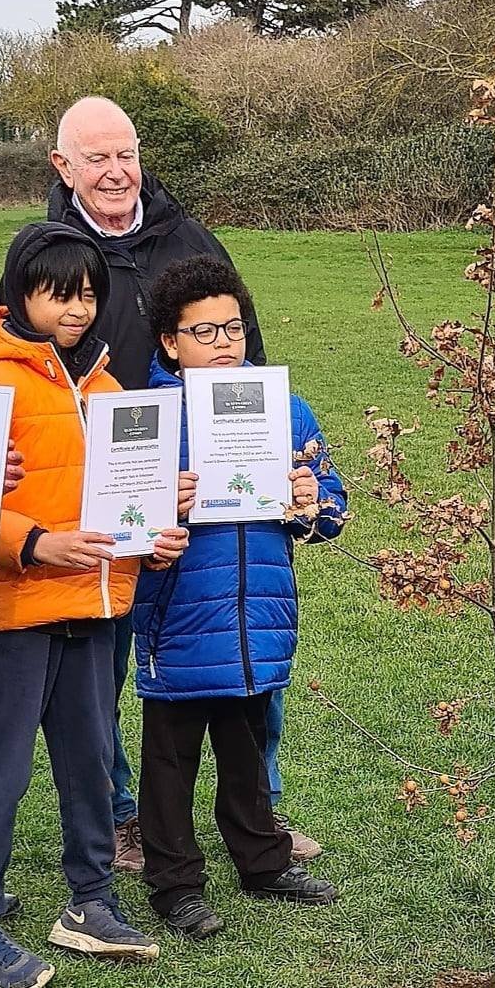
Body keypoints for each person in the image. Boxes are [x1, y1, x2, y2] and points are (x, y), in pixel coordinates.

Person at [46, 97, 320, 869]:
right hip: (129, 494)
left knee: (249, 692)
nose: (114, 171)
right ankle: (132, 823)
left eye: (124, 153)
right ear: (63, 168)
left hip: (243, 553)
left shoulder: (189, 237)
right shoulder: (50, 251)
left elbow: (261, 380)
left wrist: (301, 491)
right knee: (142, 692)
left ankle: (260, 821)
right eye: (94, 158)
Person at [0, 222, 188, 988]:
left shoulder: (116, 396)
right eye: (60, 292)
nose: (79, 308)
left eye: (89, 293)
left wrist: (154, 536)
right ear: (21, 296)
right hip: (19, 613)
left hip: (96, 610)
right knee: (1, 772)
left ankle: (90, 902)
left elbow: (128, 510)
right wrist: (34, 543)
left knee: (90, 767)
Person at [130, 255, 345, 938]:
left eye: (233, 328)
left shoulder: (284, 406)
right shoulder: (145, 414)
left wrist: (313, 501)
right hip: (180, 613)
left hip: (259, 614)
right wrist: (161, 502)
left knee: (249, 741)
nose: (224, 344)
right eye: (204, 332)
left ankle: (261, 860)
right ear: (169, 341)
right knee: (172, 756)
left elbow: (333, 511)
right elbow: (114, 518)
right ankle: (173, 882)